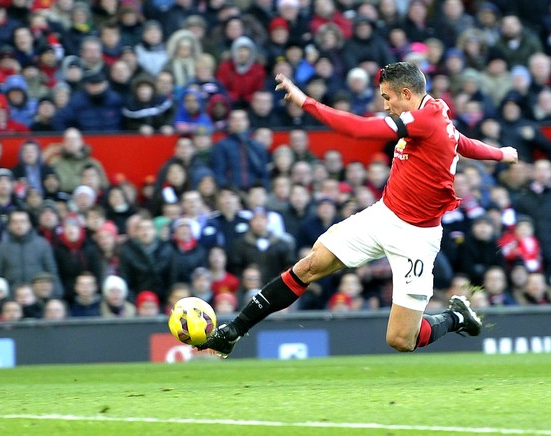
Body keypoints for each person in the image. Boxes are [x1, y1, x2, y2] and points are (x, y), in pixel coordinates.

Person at [197, 61, 518, 357]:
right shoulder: (437, 112)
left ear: (406, 93)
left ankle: (455, 317)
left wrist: (306, 102)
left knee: (401, 339)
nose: (385, 105)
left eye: (387, 97)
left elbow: (360, 130)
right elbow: (460, 141)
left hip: (417, 237)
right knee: (311, 265)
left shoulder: (426, 120)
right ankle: (235, 330)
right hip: (383, 215)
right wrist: (500, 154)